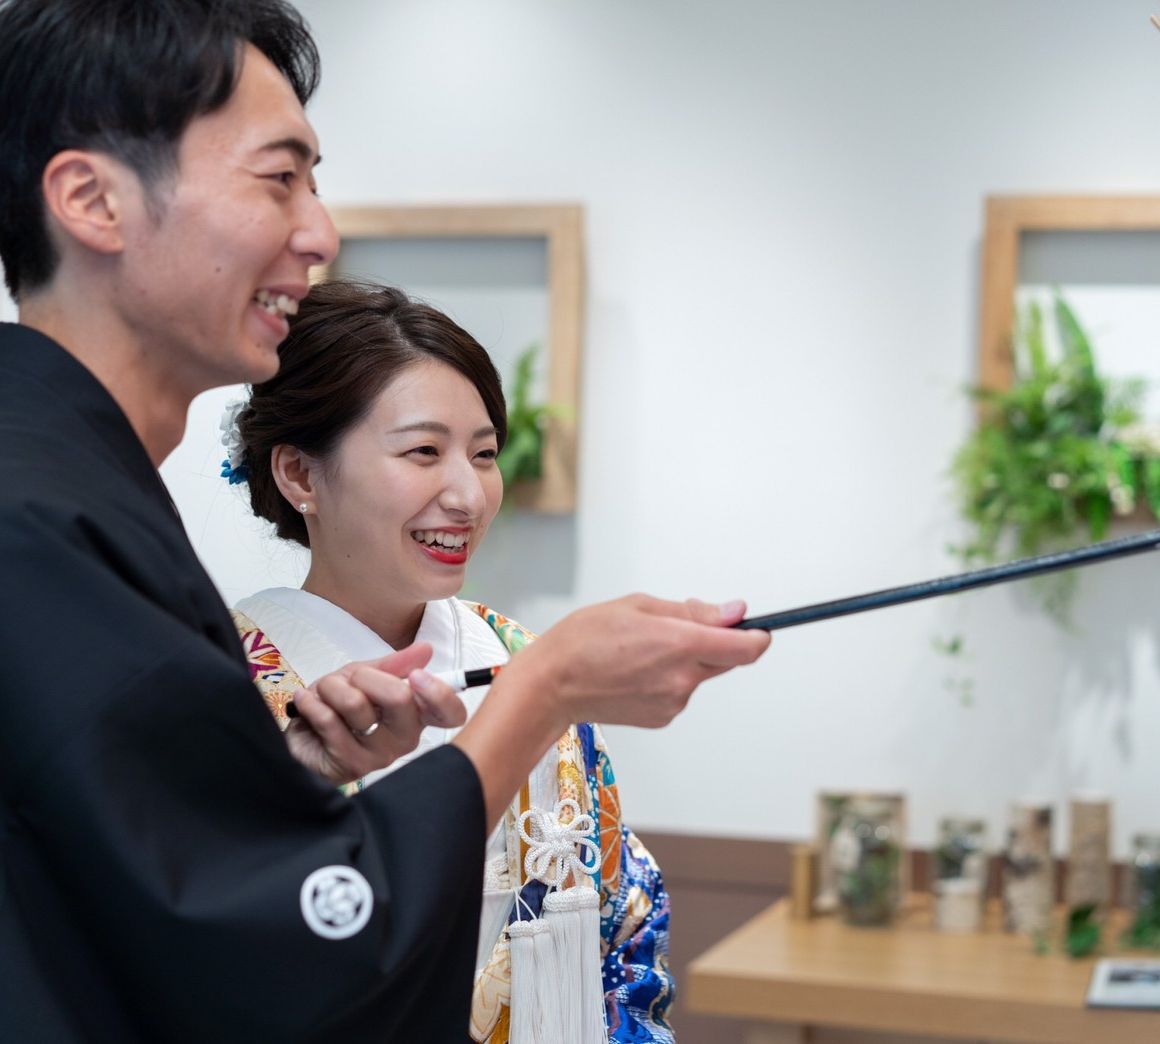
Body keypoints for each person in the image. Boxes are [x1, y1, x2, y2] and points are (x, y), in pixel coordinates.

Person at [0, 0, 770, 1040]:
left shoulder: (78, 493)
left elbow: (154, 886)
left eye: (483, 452)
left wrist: (308, 777)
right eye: (279, 178)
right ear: (92, 199)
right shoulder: (41, 524)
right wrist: (540, 693)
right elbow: (264, 951)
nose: (318, 232)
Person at [227, 279, 676, 1043]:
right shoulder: (225, 686)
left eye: (484, 454)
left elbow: (626, 927)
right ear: (299, 474)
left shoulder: (522, 660)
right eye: (424, 452)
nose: (468, 494)